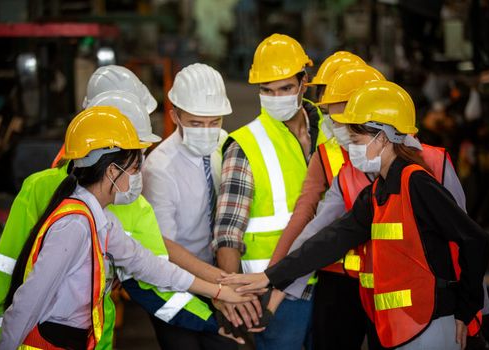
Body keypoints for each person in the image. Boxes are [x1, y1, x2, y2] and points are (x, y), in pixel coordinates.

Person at [221, 81, 489, 350]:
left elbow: (476, 240)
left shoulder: (416, 182)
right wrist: (270, 277)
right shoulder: (378, 191)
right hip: (405, 327)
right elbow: (330, 240)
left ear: (383, 137)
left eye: (357, 140)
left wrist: (466, 309)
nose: (352, 150)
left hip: (432, 323)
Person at [0, 106, 252, 349]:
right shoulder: (74, 226)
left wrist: (219, 291)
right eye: (134, 168)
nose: (138, 176)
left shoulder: (102, 221)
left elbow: (152, 267)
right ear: (111, 171)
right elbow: (27, 303)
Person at [0, 66, 157, 350]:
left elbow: (151, 268)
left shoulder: (125, 205)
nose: (138, 165)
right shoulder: (46, 193)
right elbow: (13, 277)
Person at [212, 33, 326, 349]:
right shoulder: (246, 146)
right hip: (277, 295)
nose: (276, 97)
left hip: (333, 280)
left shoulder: (329, 130)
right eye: (267, 90)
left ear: (304, 83)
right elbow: (227, 233)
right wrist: (232, 297)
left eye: (285, 88)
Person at [266, 63, 386, 350]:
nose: (335, 125)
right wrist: (273, 279)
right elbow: (308, 221)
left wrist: (471, 311)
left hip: (390, 281)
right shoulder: (330, 156)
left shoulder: (415, 162)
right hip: (339, 280)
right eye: (330, 114)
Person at [141, 63, 249, 349]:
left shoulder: (224, 146)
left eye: (214, 122)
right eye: (196, 123)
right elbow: (165, 247)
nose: (207, 131)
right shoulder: (159, 168)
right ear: (175, 115)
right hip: (177, 283)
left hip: (220, 275)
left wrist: (227, 282)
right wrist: (218, 283)